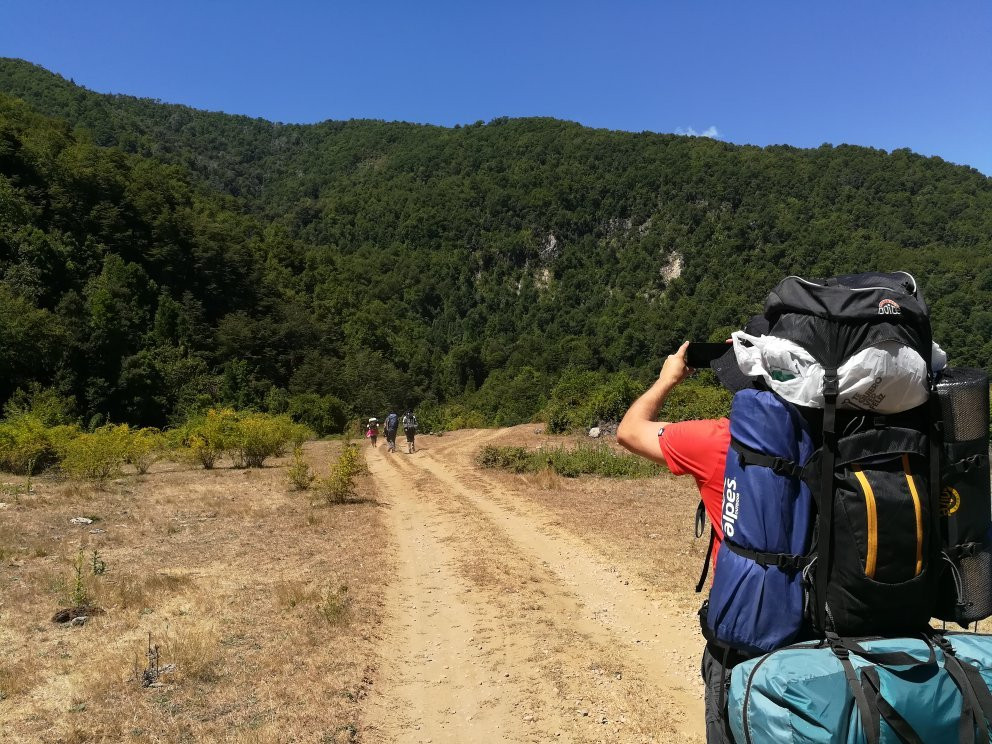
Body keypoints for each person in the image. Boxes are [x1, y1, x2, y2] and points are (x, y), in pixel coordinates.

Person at [617, 336, 759, 744]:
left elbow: (629, 432)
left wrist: (666, 380)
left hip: (743, 630)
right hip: (843, 628)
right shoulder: (852, 443)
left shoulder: (718, 439)